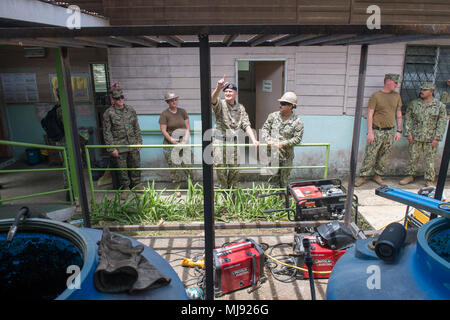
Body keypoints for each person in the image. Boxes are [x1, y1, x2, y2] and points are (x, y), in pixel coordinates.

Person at [355, 73, 403, 187]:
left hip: (390, 131)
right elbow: (370, 114)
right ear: (388, 81)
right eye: (395, 82)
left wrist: (399, 130)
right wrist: (370, 132)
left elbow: (399, 113)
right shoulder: (376, 96)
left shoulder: (397, 96)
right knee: (370, 154)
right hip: (377, 130)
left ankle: (377, 175)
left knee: (384, 154)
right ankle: (363, 176)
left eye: (397, 82)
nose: (396, 85)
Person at [211, 75, 259, 189]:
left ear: (236, 93)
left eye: (230, 91)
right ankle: (223, 194)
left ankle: (232, 195)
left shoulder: (240, 108)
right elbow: (213, 100)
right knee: (220, 170)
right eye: (226, 91)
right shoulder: (220, 104)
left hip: (234, 142)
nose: (227, 93)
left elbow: (246, 124)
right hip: (220, 142)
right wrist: (218, 88)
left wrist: (254, 140)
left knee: (234, 170)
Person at [399, 82, 447, 187]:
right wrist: (408, 134)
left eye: (425, 90)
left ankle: (429, 179)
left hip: (431, 138)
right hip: (415, 136)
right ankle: (409, 176)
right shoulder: (414, 104)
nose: (422, 91)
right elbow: (408, 119)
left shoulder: (439, 106)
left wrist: (437, 138)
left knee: (429, 159)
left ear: (431, 91)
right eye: (421, 89)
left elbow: (442, 123)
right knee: (413, 157)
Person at [103, 87, 143, 200]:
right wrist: (112, 148)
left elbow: (136, 127)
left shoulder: (130, 110)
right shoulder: (108, 113)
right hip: (119, 146)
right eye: (117, 98)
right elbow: (107, 132)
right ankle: (126, 187)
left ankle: (137, 185)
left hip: (133, 144)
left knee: (135, 165)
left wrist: (139, 141)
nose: (120, 100)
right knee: (122, 168)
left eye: (121, 97)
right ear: (113, 100)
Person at [261, 92, 304, 188]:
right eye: (280, 103)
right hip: (273, 154)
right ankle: (272, 201)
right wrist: (268, 140)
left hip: (286, 156)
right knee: (272, 180)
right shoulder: (273, 116)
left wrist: (283, 143)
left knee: (284, 181)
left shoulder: (297, 122)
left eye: (284, 103)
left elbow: (297, 138)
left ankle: (283, 201)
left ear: (291, 106)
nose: (280, 105)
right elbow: (265, 129)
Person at [159, 91, 192, 197]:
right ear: (168, 102)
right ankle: (176, 188)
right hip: (170, 143)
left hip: (183, 142)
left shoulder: (183, 112)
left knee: (187, 165)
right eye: (172, 100)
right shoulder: (165, 114)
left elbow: (187, 128)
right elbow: (163, 131)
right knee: (174, 167)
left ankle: (191, 186)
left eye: (175, 99)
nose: (174, 102)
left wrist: (185, 141)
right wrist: (173, 141)